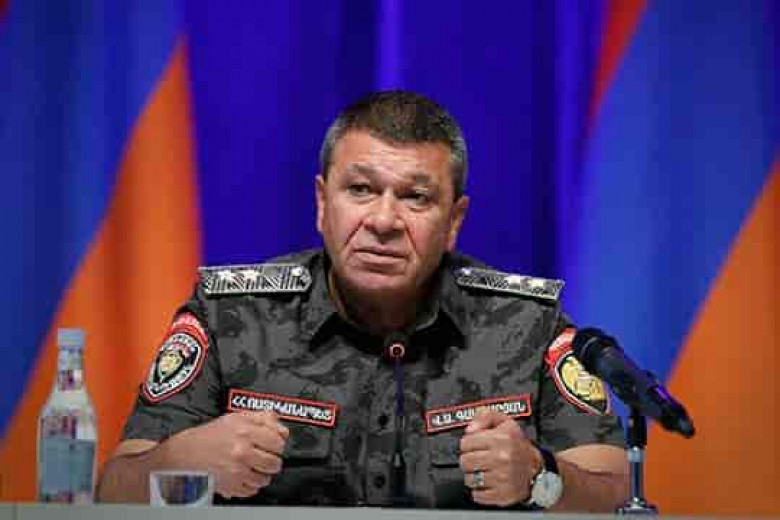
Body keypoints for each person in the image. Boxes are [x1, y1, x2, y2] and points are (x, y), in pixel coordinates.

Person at [97, 90, 629, 510]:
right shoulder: (230, 315)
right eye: (360, 190)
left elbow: (618, 493)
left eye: (415, 197)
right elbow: (112, 490)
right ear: (321, 203)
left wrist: (541, 476)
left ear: (454, 221)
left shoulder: (527, 324)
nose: (383, 220)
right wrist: (181, 460)